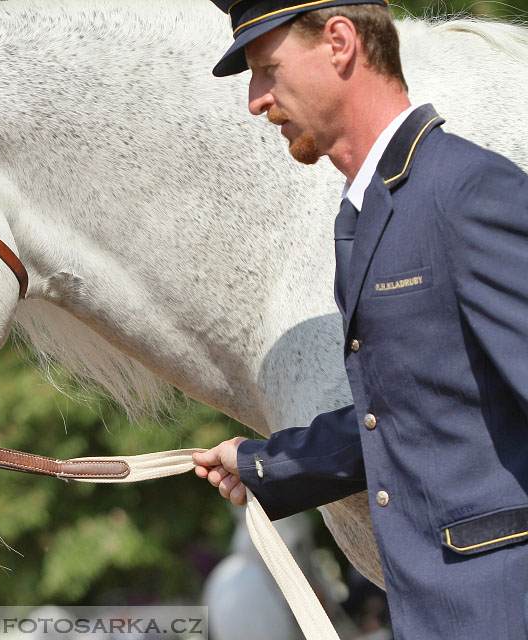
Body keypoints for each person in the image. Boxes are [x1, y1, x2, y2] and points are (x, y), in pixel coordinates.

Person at [192, 0, 528, 637]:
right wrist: (268, 464)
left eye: (267, 68)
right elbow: (404, 411)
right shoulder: (365, 212)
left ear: (340, 43)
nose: (256, 100)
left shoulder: (466, 190)